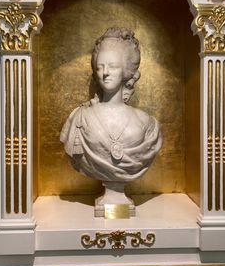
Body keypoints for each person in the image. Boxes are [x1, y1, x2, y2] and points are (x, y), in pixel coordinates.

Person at [60, 27, 162, 207]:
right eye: (100, 67)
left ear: (127, 71)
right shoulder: (80, 118)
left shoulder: (146, 123)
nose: (105, 72)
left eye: (112, 66)